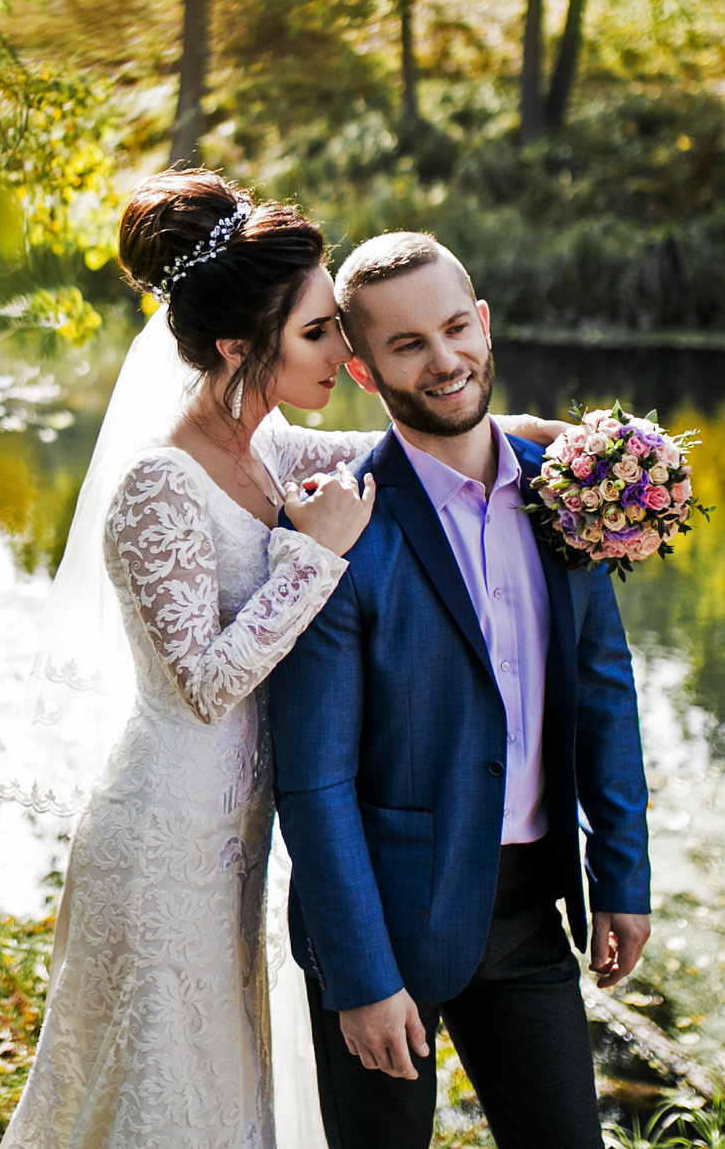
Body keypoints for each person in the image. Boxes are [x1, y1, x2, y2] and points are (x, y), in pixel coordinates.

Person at [1, 178, 564, 1149]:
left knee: (223, 1090)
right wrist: (313, 557)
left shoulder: (267, 443)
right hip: (166, 836)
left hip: (240, 830)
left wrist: (551, 440)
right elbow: (205, 684)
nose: (344, 351)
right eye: (316, 332)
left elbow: (397, 447)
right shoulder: (158, 485)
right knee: (163, 1092)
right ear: (237, 346)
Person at [267, 231, 651, 1149]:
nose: (443, 360)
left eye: (453, 329)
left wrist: (622, 872)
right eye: (407, 345)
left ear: (482, 322)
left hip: (527, 912)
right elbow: (312, 780)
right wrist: (361, 975)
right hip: (383, 916)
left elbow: (604, 688)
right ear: (364, 370)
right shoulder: (340, 525)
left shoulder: (569, 497)